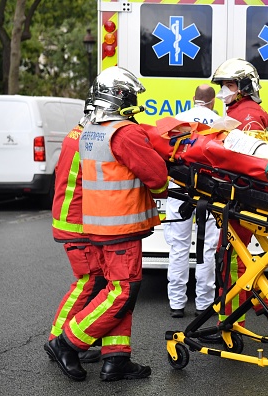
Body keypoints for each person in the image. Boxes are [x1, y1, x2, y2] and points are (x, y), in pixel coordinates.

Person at [44, 66, 169, 382]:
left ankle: (116, 359)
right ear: (121, 97)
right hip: (119, 226)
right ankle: (67, 342)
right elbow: (156, 177)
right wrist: (160, 191)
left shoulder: (92, 130)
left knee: (120, 290)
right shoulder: (124, 132)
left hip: (103, 225)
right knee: (122, 292)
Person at [211, 58, 268, 335]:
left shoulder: (247, 116)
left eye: (229, 85)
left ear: (243, 87)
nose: (224, 90)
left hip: (241, 195)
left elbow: (245, 160)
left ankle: (232, 324)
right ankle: (266, 308)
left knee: (231, 260)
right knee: (236, 258)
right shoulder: (241, 111)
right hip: (242, 195)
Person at [45, 96, 104, 365]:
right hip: (77, 222)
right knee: (86, 282)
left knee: (89, 281)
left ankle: (68, 341)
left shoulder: (76, 132)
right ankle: (56, 340)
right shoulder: (88, 138)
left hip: (72, 217)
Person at [164, 84, 221, 323]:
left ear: (193, 100)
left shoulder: (179, 121)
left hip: (179, 190)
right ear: (213, 102)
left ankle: (176, 303)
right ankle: (204, 303)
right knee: (207, 248)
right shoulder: (220, 123)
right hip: (209, 192)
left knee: (178, 247)